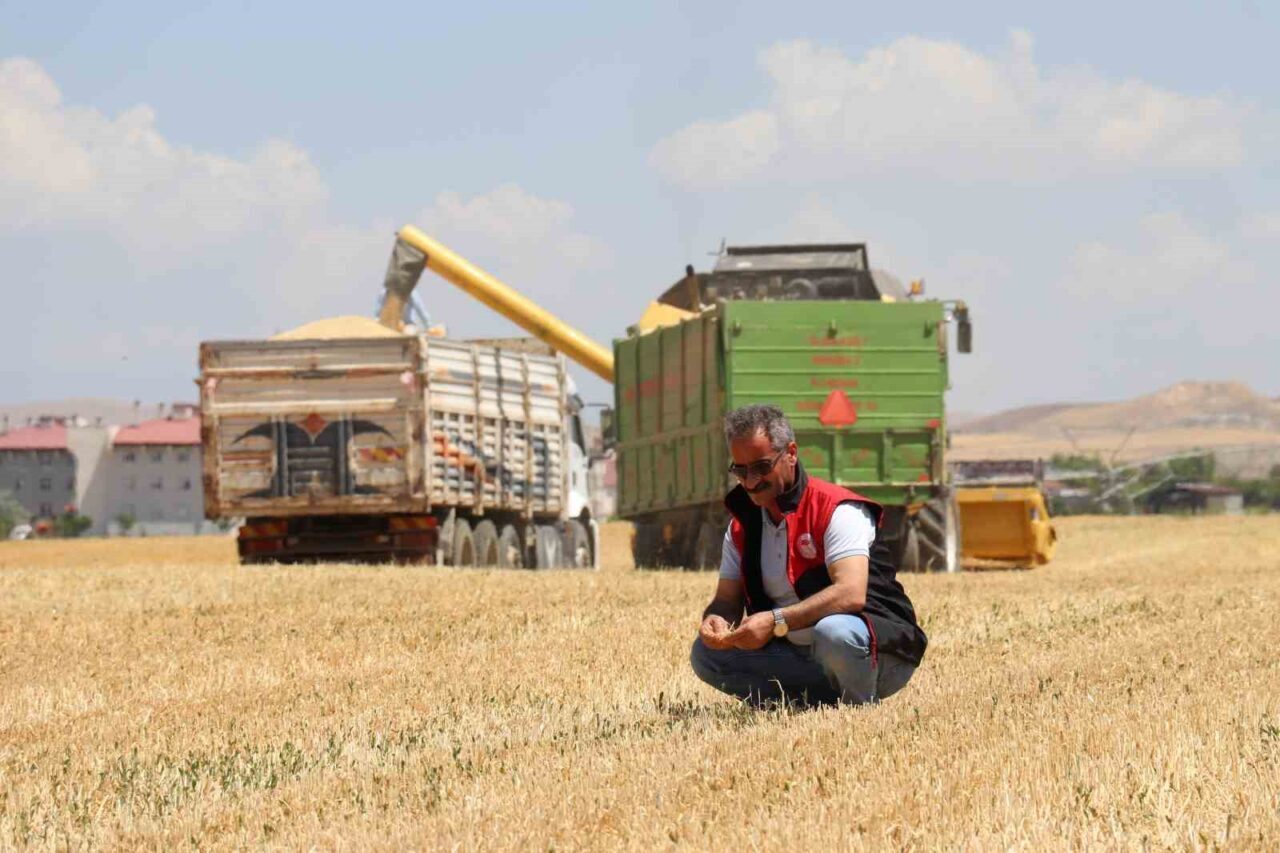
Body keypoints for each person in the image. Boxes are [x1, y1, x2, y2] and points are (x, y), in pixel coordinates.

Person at [690, 404, 927, 706]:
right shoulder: (741, 526)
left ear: (791, 453)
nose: (750, 481)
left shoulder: (837, 510)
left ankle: (858, 707)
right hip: (801, 653)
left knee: (834, 632)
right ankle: (807, 703)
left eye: (761, 467)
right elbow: (726, 600)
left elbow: (850, 593)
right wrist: (717, 620)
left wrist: (775, 621)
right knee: (706, 654)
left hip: (877, 653)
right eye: (741, 470)